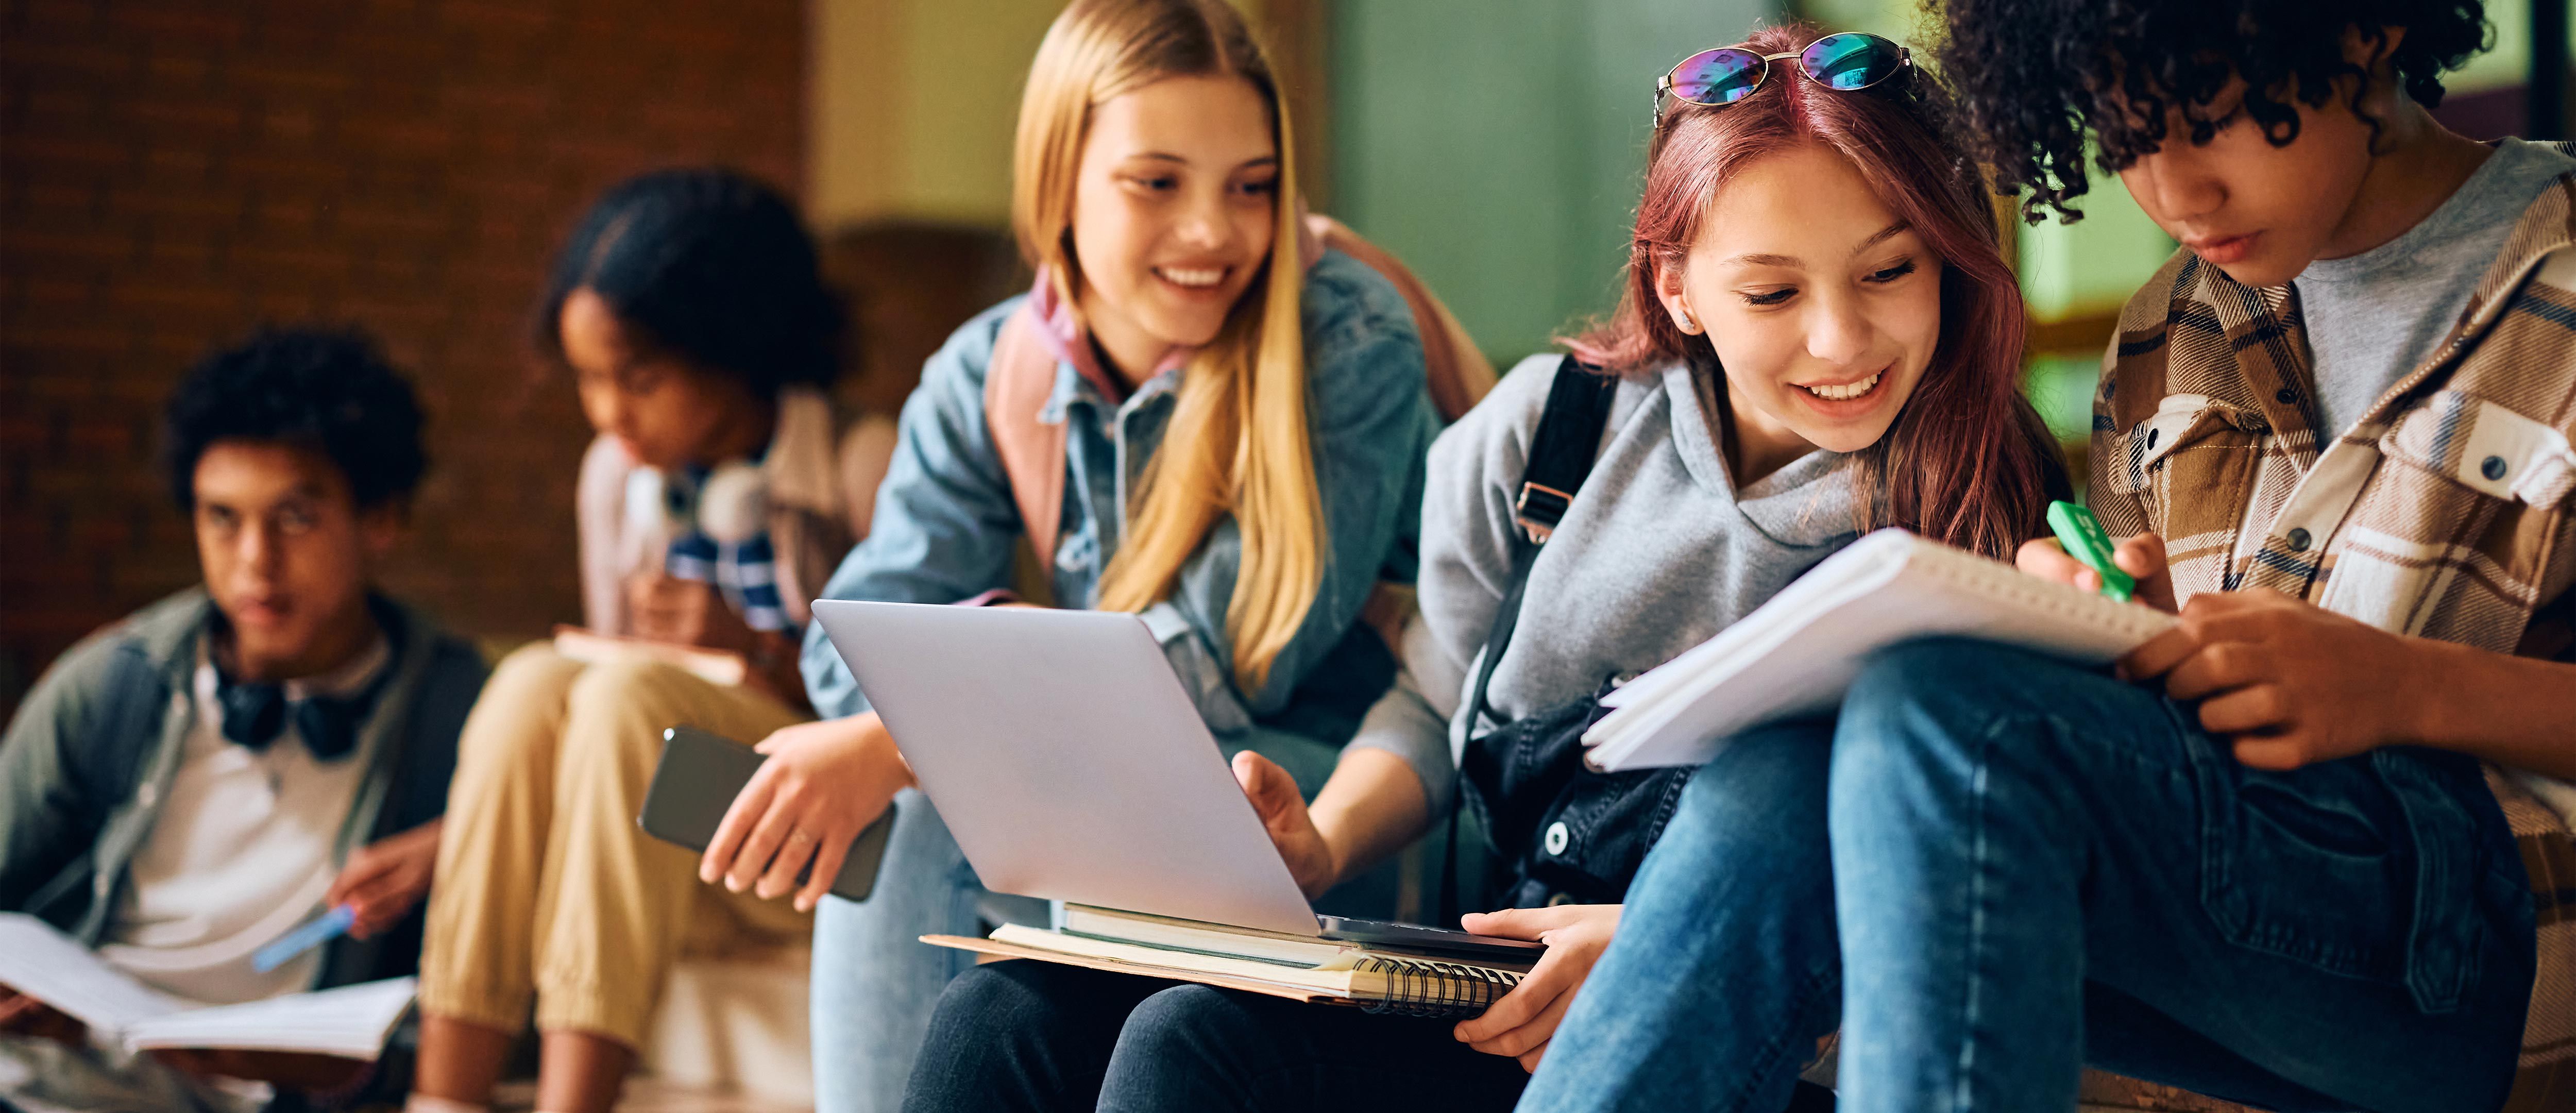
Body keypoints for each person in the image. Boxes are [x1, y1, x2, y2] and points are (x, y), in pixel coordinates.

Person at [899, 24, 2071, 1112]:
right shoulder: (1548, 434)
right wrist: (1320, 838)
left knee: (1194, 1046)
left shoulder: (1988, 505)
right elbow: (1432, 699)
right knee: (1004, 1013)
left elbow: (1970, 883)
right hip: (1492, 983)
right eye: (1771, 291)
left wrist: (1675, 940)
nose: (1840, 340)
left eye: (1888, 273)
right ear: (1677, 288)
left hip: (1742, 1026)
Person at [1523, 3, 2576, 1110]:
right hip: (2245, 926)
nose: (2174, 193)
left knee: (1959, 718)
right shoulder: (2171, 329)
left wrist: (2404, 687)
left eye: (2211, 120)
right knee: (1792, 768)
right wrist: (2120, 636)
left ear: (2362, 32)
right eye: (2125, 141)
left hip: (2495, 943)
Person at [683, 1, 1455, 1108]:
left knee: (920, 785)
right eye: (1157, 182)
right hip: (1118, 770)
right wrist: (911, 722)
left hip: (1316, 794)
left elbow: (1234, 656)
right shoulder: (986, 372)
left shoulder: (1343, 337)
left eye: (1250, 184)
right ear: (1059, 183)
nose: (1212, 232)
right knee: (917, 803)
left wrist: (912, 734)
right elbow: (852, 648)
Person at [406, 168, 896, 1113]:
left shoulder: (857, 463)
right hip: (668, 819)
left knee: (631, 698)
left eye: (639, 379)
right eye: (589, 380)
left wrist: (751, 649)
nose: (608, 414)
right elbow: (590, 705)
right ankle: (443, 1095)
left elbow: (907, 726)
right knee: (535, 680)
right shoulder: (614, 478)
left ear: (734, 349)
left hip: (824, 833)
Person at [1, 329, 485, 1112]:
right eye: (222, 518)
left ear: (382, 520)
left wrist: (469, 836)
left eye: (294, 518)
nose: (254, 561)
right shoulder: (114, 685)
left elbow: (496, 996)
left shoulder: (455, 710)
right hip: (62, 1085)